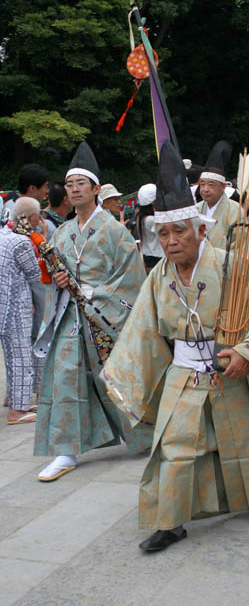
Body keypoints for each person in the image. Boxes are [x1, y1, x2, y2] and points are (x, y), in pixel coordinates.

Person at [102, 141, 249, 552]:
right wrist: (122, 375)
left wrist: (247, 352)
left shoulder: (234, 265)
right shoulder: (159, 277)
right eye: (163, 233)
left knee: (248, 439)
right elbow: (143, 330)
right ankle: (171, 521)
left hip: (232, 367)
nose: (171, 241)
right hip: (185, 373)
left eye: (179, 231)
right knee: (174, 447)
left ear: (202, 230)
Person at [33, 142, 149, 482]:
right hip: (71, 317)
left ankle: (145, 433)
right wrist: (58, 280)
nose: (74, 190)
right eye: (69, 185)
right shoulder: (64, 231)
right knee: (65, 376)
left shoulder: (114, 230)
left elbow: (131, 278)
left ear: (96, 189)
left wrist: (93, 296)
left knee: (112, 379)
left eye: (80, 184)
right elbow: (56, 274)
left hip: (105, 317)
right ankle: (66, 449)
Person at [1, 198, 47, 424]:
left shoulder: (4, 236)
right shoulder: (21, 242)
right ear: (33, 218)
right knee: (20, 358)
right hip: (15, 308)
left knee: (12, 357)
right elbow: (36, 276)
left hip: (6, 307)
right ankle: (17, 411)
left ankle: (16, 401)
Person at [197, 141, 239, 250]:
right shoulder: (196, 209)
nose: (205, 189)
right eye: (202, 184)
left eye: (211, 185)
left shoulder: (236, 211)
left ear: (223, 186)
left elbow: (239, 247)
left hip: (224, 260)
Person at [135, 183, 164, 273]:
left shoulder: (140, 217)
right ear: (153, 202)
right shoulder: (151, 219)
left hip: (148, 256)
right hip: (157, 256)